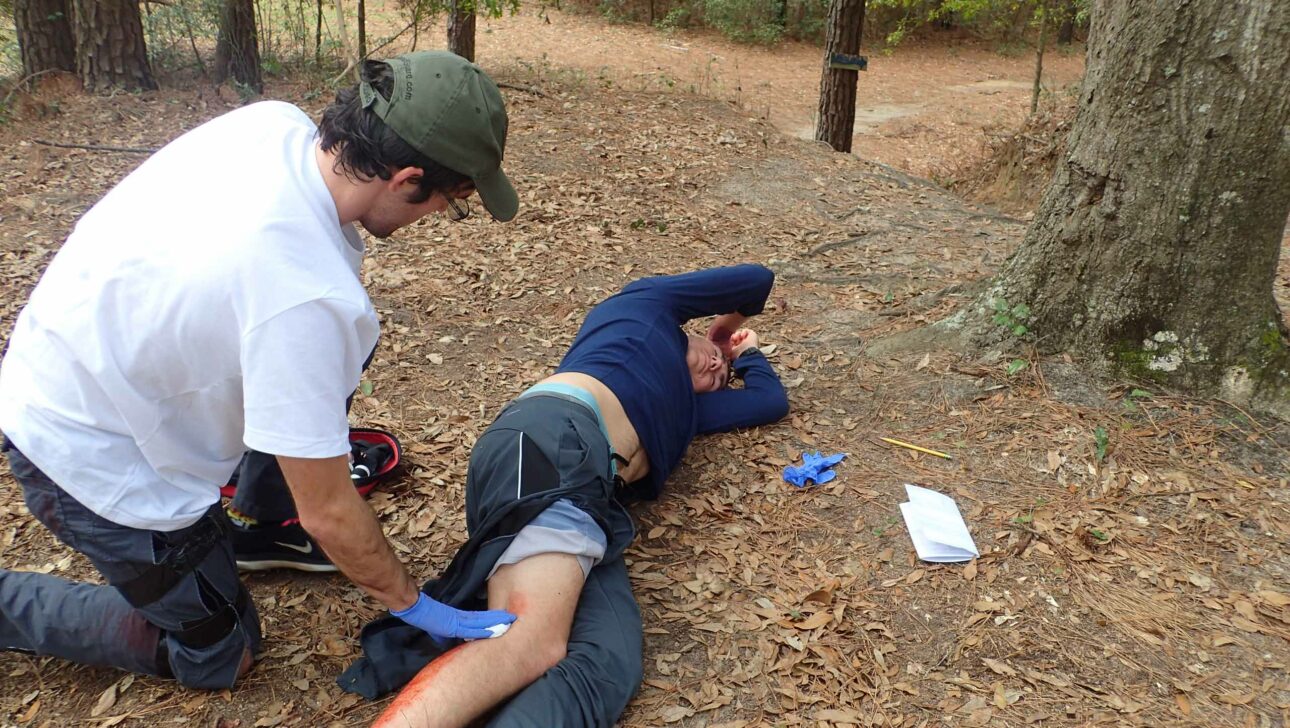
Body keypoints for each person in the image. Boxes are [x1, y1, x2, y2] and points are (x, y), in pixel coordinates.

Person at [0, 51, 519, 690]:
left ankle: (258, 524)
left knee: (339, 350)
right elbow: (329, 512)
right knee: (224, 654)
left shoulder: (272, 126)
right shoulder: (304, 297)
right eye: (448, 200)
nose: (438, 215)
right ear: (406, 177)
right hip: (84, 453)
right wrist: (414, 602)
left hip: (71, 358)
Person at [338, 264, 790, 728]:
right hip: (554, 441)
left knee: (605, 663)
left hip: (579, 487)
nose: (718, 366)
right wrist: (727, 331)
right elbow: (756, 278)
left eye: (721, 375)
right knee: (528, 641)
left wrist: (747, 358)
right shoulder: (643, 309)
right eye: (712, 356)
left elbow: (769, 401)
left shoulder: (685, 411)